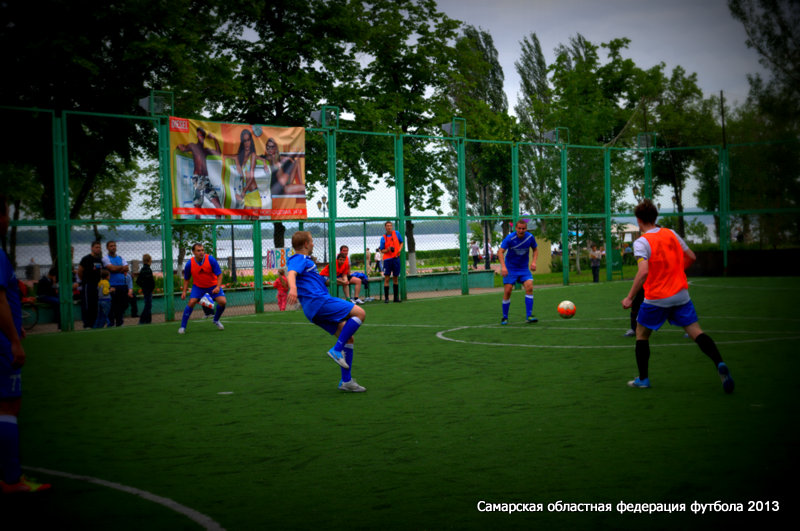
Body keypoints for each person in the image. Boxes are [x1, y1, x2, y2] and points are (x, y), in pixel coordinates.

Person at [621, 199, 734, 393]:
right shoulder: (671, 233)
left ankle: (643, 379)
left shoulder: (641, 242)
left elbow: (643, 272)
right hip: (681, 295)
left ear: (638, 220)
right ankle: (719, 363)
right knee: (696, 332)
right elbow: (691, 256)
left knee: (641, 334)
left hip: (657, 297)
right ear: (655, 217)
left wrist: (630, 297)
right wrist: (676, 272)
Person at [0, 194, 51, 493]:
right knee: (8, 407)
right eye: (6, 214)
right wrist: (13, 339)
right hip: (2, 344)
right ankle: (11, 479)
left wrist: (15, 323)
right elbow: (0, 300)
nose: (8, 221)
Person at [286, 231, 367, 392]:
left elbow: (318, 280)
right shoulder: (299, 258)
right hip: (319, 301)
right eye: (311, 241)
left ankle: (346, 381)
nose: (313, 244)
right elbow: (291, 273)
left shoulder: (307, 262)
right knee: (360, 313)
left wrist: (338, 281)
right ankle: (336, 349)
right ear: (306, 244)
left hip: (314, 309)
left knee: (348, 338)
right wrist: (293, 288)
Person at [179, 243, 227, 334]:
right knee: (191, 302)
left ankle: (216, 320)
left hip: (213, 286)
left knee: (223, 302)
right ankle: (182, 327)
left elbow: (219, 275)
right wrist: (184, 292)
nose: (201, 252)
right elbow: (186, 279)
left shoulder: (210, 259)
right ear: (193, 252)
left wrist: (218, 287)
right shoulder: (189, 264)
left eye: (202, 250)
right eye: (198, 250)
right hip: (198, 287)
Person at [498, 219, 539, 324]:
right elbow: (500, 252)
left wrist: (534, 262)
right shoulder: (510, 238)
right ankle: (505, 317)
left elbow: (535, 249)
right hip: (510, 268)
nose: (521, 230)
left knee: (529, 287)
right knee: (508, 291)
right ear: (516, 228)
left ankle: (529, 316)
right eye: (519, 228)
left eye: (523, 228)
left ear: (526, 229)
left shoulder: (530, 237)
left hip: (523, 268)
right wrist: (503, 267)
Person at [177, 127, 223, 213]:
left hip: (206, 180)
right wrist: (178, 146)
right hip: (197, 178)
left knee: (218, 206)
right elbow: (183, 148)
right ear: (197, 136)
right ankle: (197, 219)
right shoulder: (193, 146)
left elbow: (218, 154)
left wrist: (215, 139)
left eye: (202, 135)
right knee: (198, 207)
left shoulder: (206, 150)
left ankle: (215, 222)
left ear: (204, 137)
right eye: (199, 135)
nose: (200, 137)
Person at [102, 241, 129, 327]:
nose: (113, 247)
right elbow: (111, 268)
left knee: (123, 305)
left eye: (114, 246)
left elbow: (127, 268)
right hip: (112, 285)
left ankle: (119, 322)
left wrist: (116, 268)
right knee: (113, 306)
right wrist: (121, 268)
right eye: (111, 246)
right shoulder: (105, 258)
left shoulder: (120, 258)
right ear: (107, 248)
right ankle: (111, 323)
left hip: (122, 285)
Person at [77, 241, 104, 328]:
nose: (98, 249)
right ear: (92, 248)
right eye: (96, 247)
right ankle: (87, 324)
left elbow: (100, 272)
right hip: (88, 285)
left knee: (95, 304)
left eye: (99, 247)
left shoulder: (99, 260)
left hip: (97, 285)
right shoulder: (86, 259)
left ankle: (94, 323)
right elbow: (80, 271)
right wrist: (84, 281)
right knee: (87, 304)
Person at [379, 221, 404, 303]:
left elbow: (401, 242)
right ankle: (386, 298)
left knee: (395, 278)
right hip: (387, 260)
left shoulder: (396, 233)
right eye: (387, 226)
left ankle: (396, 298)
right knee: (387, 278)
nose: (389, 227)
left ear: (392, 227)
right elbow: (382, 250)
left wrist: (399, 250)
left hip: (396, 258)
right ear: (385, 227)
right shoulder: (383, 238)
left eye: (390, 225)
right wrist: (388, 249)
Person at [136, 254, 155, 324]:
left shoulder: (143, 269)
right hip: (148, 290)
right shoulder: (148, 269)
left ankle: (147, 320)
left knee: (148, 304)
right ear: (149, 260)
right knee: (148, 305)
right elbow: (151, 281)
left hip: (146, 289)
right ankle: (143, 320)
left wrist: (143, 286)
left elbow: (138, 281)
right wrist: (150, 287)